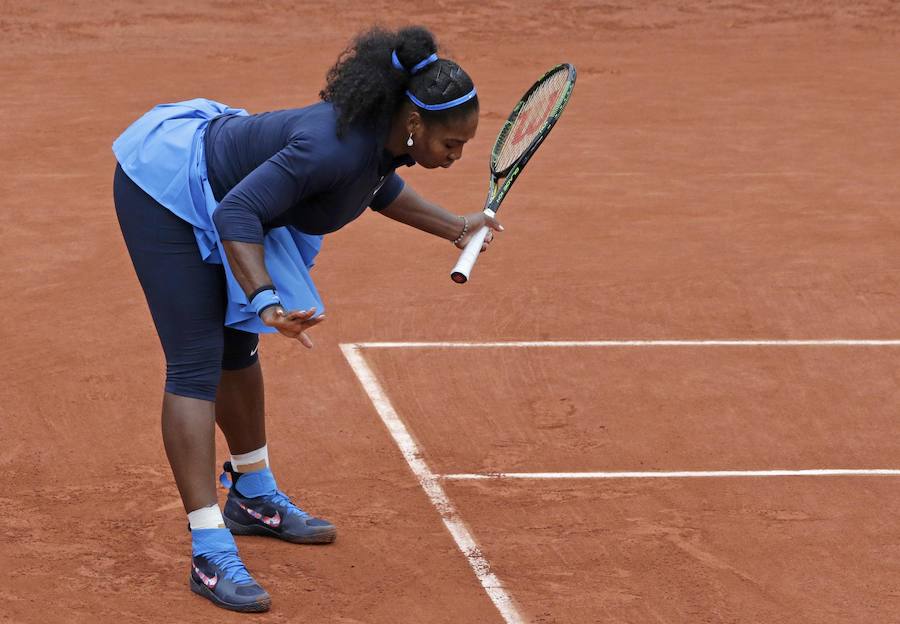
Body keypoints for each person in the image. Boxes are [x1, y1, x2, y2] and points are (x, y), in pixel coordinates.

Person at [111, 25, 501, 613]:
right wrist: (264, 299)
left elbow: (376, 187)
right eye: (452, 143)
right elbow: (237, 209)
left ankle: (252, 495)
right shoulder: (332, 146)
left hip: (234, 199)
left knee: (238, 351)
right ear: (414, 122)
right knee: (196, 362)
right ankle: (210, 550)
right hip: (166, 190)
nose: (457, 155)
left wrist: (456, 226)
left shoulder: (381, 140)